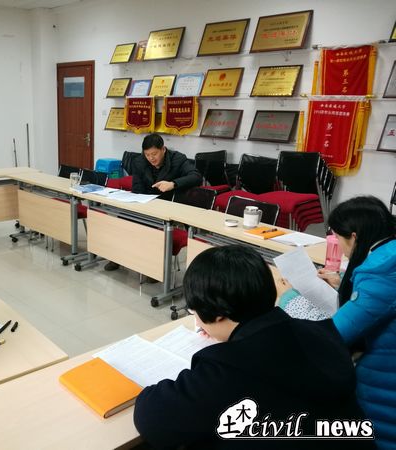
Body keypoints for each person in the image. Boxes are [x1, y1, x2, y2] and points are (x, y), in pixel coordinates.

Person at [134, 245, 373, 450]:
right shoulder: (321, 332)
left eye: (193, 311)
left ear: (218, 313)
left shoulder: (226, 370)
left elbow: (152, 419)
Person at [279, 196, 396, 449]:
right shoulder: (388, 256)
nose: (340, 248)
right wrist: (342, 281)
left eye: (338, 238)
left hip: (383, 389)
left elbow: (333, 335)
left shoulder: (383, 273)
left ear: (354, 237)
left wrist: (279, 324)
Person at [105, 133, 202, 272]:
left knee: (150, 229)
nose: (151, 158)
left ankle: (152, 268)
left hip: (168, 204)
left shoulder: (178, 159)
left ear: (163, 149)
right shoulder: (139, 162)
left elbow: (196, 176)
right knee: (123, 219)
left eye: (154, 154)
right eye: (147, 155)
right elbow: (137, 188)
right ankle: (117, 257)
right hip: (146, 202)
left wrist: (173, 184)